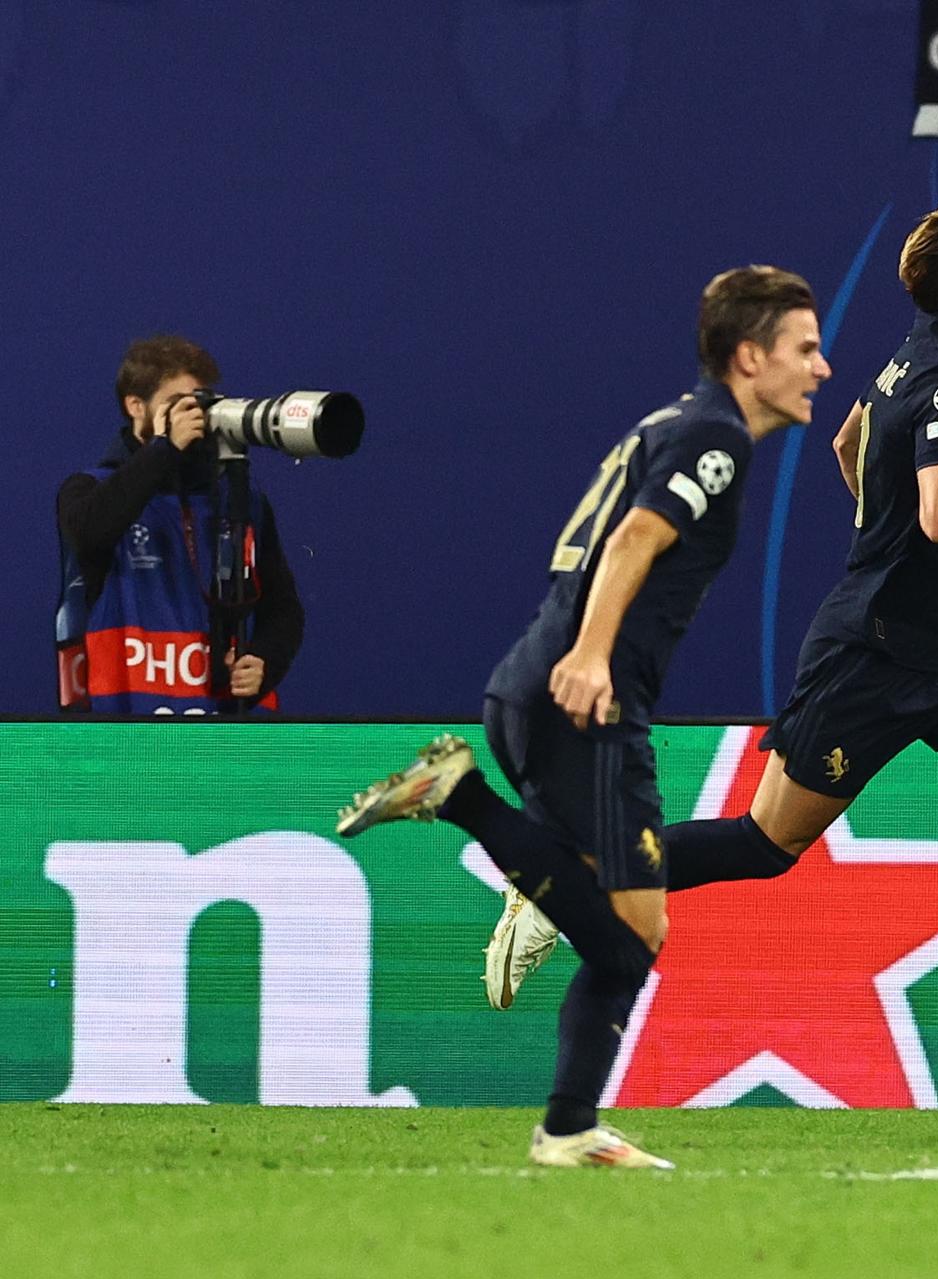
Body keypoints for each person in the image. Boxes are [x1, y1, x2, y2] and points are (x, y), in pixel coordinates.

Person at [486, 200, 938, 1086]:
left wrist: (880, 530)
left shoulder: (920, 357)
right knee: (764, 846)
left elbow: (850, 440)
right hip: (873, 657)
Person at [335, 265, 831, 1169]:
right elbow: (638, 534)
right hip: (584, 701)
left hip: (541, 685)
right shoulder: (716, 435)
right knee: (631, 937)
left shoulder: (674, 421)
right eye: (804, 348)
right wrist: (595, 654)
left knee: (630, 936)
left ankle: (567, 1126)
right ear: (750, 356)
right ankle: (464, 801)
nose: (821, 367)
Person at [56, 336, 304, 712]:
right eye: (180, 404)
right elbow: (91, 533)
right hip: (123, 723)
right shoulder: (88, 487)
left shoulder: (239, 498)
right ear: (136, 406)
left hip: (226, 724)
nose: (196, 416)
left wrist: (264, 661)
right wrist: (163, 449)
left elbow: (284, 608)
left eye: (203, 402)